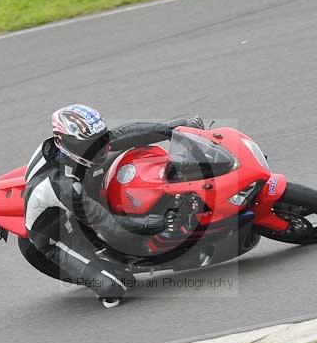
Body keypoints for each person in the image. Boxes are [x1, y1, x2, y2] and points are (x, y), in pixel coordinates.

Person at [22, 104, 202, 308]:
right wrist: (160, 223)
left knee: (122, 153)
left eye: (102, 138)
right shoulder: (64, 186)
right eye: (93, 144)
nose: (103, 147)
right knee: (114, 287)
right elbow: (109, 225)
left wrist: (174, 129)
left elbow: (122, 135)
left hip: (73, 196)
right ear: (68, 144)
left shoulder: (73, 149)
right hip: (59, 235)